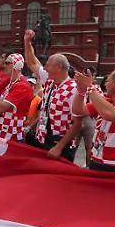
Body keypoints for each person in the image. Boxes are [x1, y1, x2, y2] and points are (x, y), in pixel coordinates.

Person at [24, 30, 82, 161]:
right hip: (43, 138)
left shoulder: (73, 90)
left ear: (59, 67)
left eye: (48, 65)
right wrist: (27, 42)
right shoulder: (50, 82)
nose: (45, 68)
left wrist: (59, 147)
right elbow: (32, 63)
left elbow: (78, 123)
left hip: (60, 144)